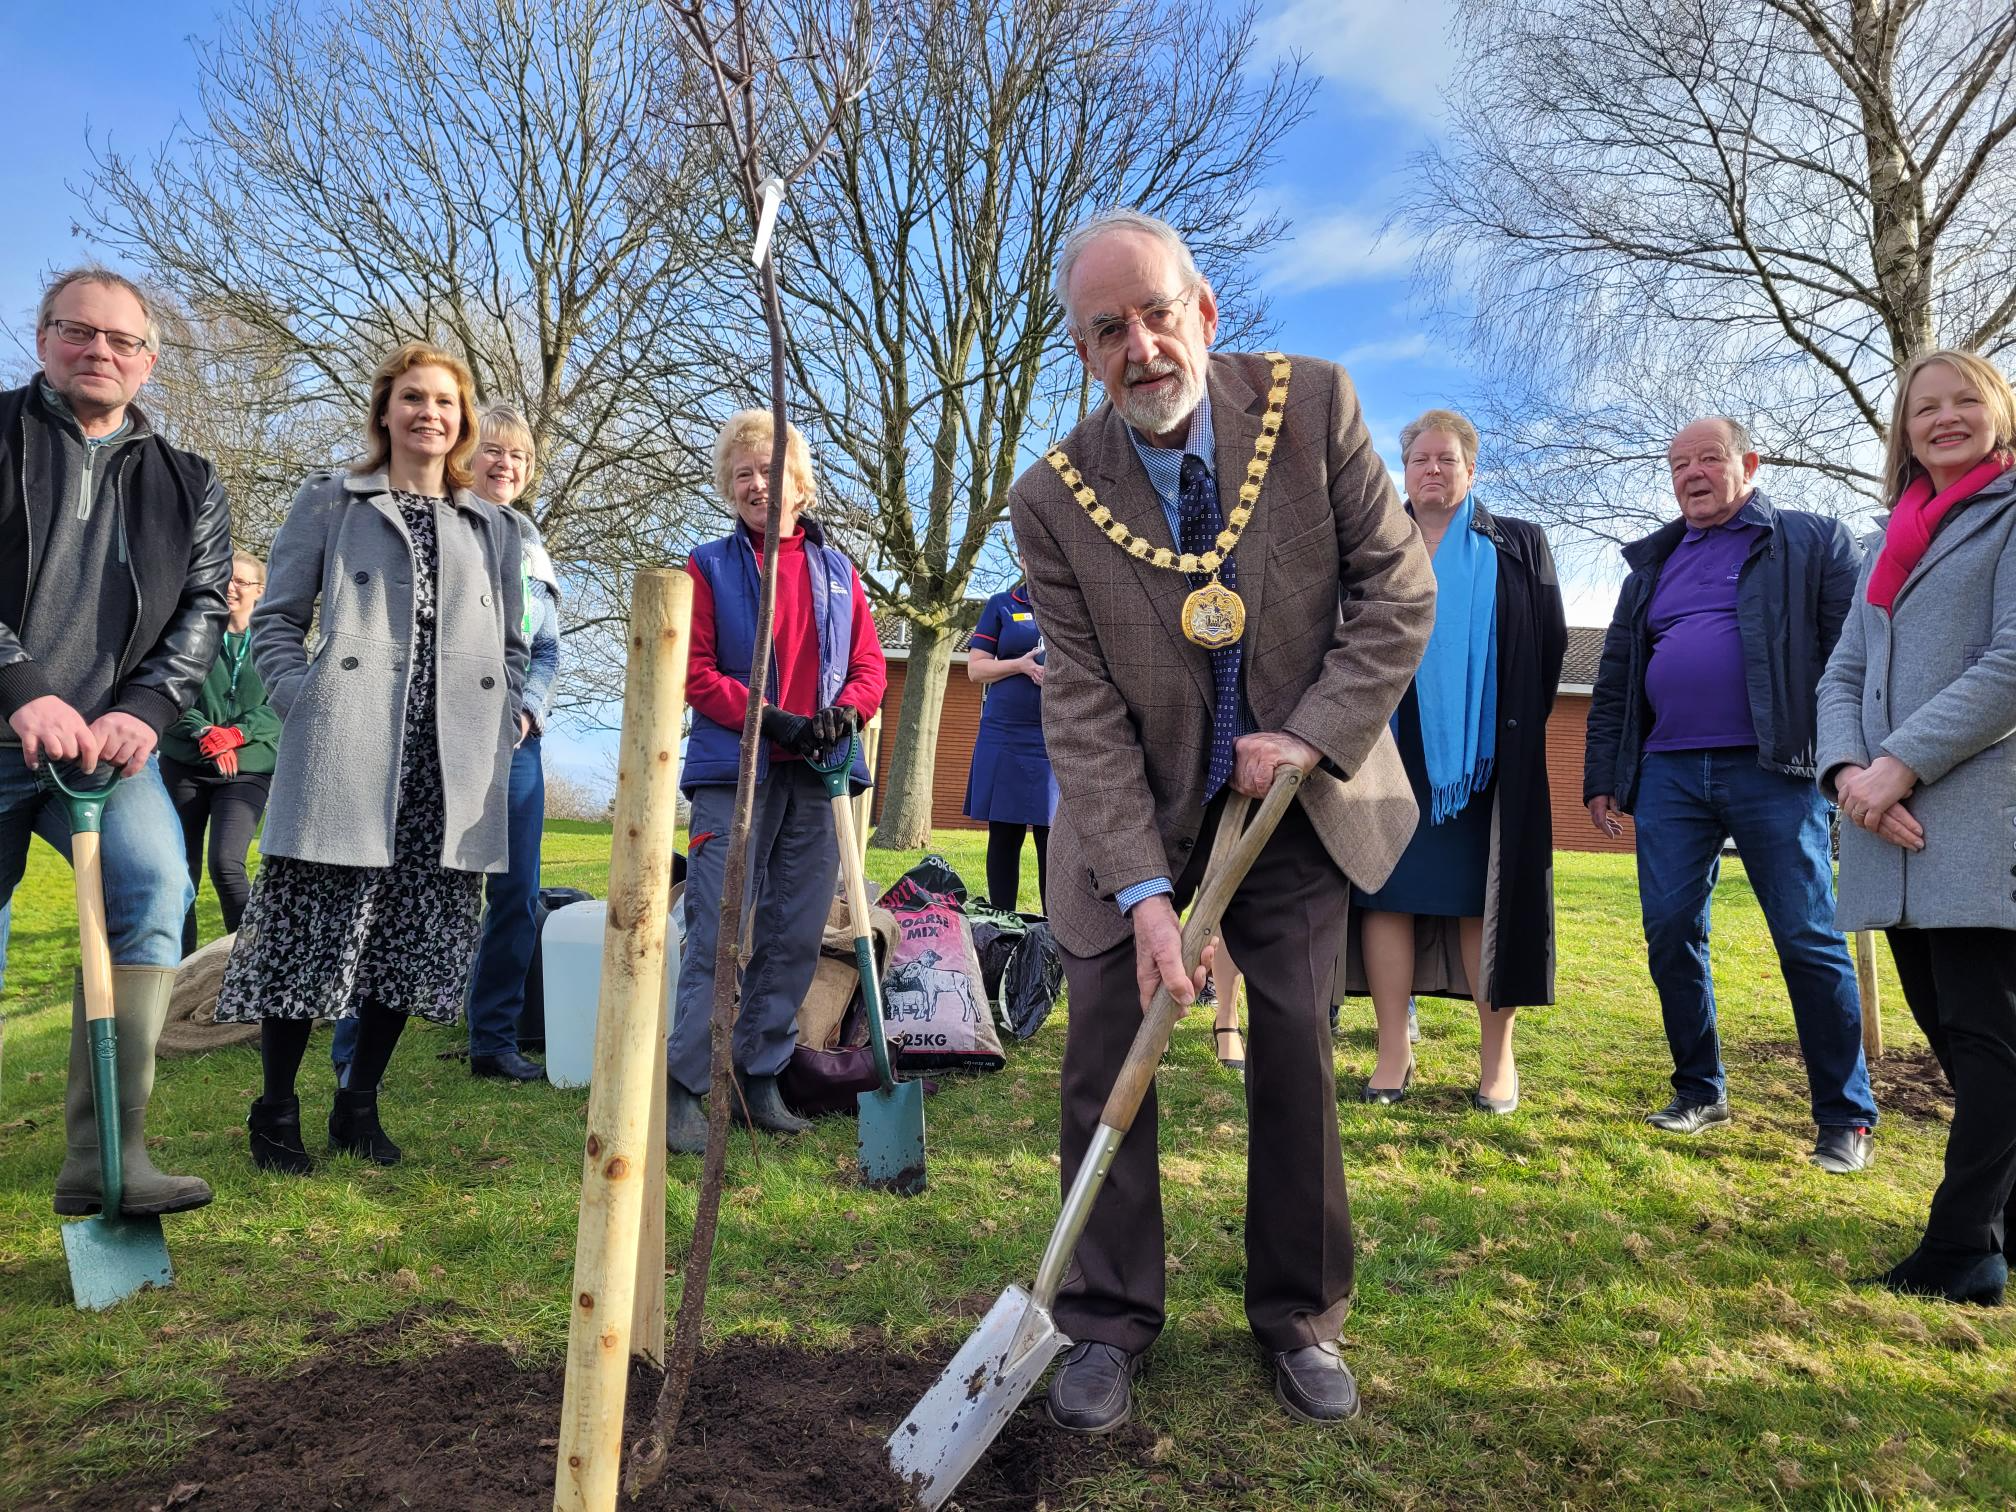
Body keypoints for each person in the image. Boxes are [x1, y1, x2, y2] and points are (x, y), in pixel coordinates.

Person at [1011, 209, 1433, 1431]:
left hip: (1297, 794)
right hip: (1134, 811)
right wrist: (1144, 895)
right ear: (1086, 354)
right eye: (1107, 331)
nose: (1140, 347)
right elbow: (1080, 706)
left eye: (1155, 313)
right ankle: (1102, 1322)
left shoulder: (1313, 408)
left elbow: (1397, 590)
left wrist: (1307, 735)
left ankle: (1299, 1317)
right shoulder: (1053, 499)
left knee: (1295, 1045)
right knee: (1105, 1060)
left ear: (1202, 310)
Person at [214, 342, 528, 1173]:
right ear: (385, 410)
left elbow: (512, 642)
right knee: (306, 928)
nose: (430, 414)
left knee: (409, 931)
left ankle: (360, 1102)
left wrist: (506, 720)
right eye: (414, 398)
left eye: (446, 403)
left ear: (462, 423)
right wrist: (303, 702)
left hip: (449, 757)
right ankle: (276, 1107)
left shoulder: (493, 524)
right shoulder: (332, 498)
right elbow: (278, 617)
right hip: (347, 744)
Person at [1585, 415, 1878, 1172]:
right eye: (1678, 462)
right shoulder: (1651, 564)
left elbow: (1855, 660)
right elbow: (1614, 680)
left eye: (1708, 458)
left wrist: (1849, 760)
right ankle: (1698, 1089)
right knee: (1670, 935)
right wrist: (1602, 780)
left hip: (1775, 768)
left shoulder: (1811, 541)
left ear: (1748, 463)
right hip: (1670, 773)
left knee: (1807, 939)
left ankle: (1845, 1117)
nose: (1691, 473)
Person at [2, 266, 230, 1218]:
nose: (99, 351)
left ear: (149, 361)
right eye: (76, 332)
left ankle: (109, 1155)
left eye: (122, 341)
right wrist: (20, 688)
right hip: (4, 726)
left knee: (153, 889)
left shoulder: (190, 483)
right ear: (44, 339)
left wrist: (143, 709)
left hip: (108, 746)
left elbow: (203, 609)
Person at [1818, 349, 2016, 1305]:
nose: (1942, 419)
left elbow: (2013, 660)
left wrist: (1900, 762)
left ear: (1998, 410)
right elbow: (1842, 673)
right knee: (1955, 1036)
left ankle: (1962, 1248)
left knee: (1992, 1044)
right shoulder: (1890, 537)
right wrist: (1849, 772)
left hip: (1979, 824)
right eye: (1922, 407)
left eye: (1962, 402)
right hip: (1887, 828)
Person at [666, 408, 887, 1155]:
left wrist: (841, 715)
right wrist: (770, 718)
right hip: (738, 772)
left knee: (794, 934)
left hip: (817, 778)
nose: (757, 485)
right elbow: (695, 673)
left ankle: (760, 1074)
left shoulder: (838, 572)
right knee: (719, 933)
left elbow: (870, 668)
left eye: (771, 471)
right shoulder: (709, 566)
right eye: (742, 475)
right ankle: (684, 1086)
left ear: (802, 483)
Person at [1338, 409, 1566, 1113]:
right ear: (1401, 472)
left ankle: (1497, 1062)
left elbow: (1549, 645)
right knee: (1386, 897)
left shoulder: (1519, 545)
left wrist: (1497, 730)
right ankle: (1391, 1054)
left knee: (1483, 902)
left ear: (1472, 469)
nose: (1432, 471)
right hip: (1386, 751)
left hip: (1482, 756)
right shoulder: (1370, 545)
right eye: (1419, 461)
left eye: (1447, 460)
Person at [328, 404, 559, 1085]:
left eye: (517, 456)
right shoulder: (437, 526)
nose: (504, 465)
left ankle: (492, 1038)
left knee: (517, 893)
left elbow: (544, 648)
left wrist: (529, 711)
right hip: (426, 737)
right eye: (492, 451)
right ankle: (353, 1053)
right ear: (464, 455)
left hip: (512, 743)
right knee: (392, 886)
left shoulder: (532, 543)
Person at [159, 550, 280, 957]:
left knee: (227, 864)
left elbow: (283, 703)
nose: (231, 587)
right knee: (180, 872)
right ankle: (179, 973)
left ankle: (248, 965)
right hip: (186, 765)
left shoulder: (273, 642)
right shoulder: (190, 632)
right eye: (227, 578)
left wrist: (237, 735)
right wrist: (205, 731)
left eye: (242, 582)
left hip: (246, 770)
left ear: (259, 591)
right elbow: (168, 691)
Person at [964, 562, 1055, 912]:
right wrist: (1021, 665)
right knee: (1005, 833)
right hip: (1005, 735)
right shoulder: (1002, 604)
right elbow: (975, 669)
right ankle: (1003, 920)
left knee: (1052, 836)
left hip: (1053, 735)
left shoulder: (1070, 605)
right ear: (1022, 559)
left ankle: (1054, 931)